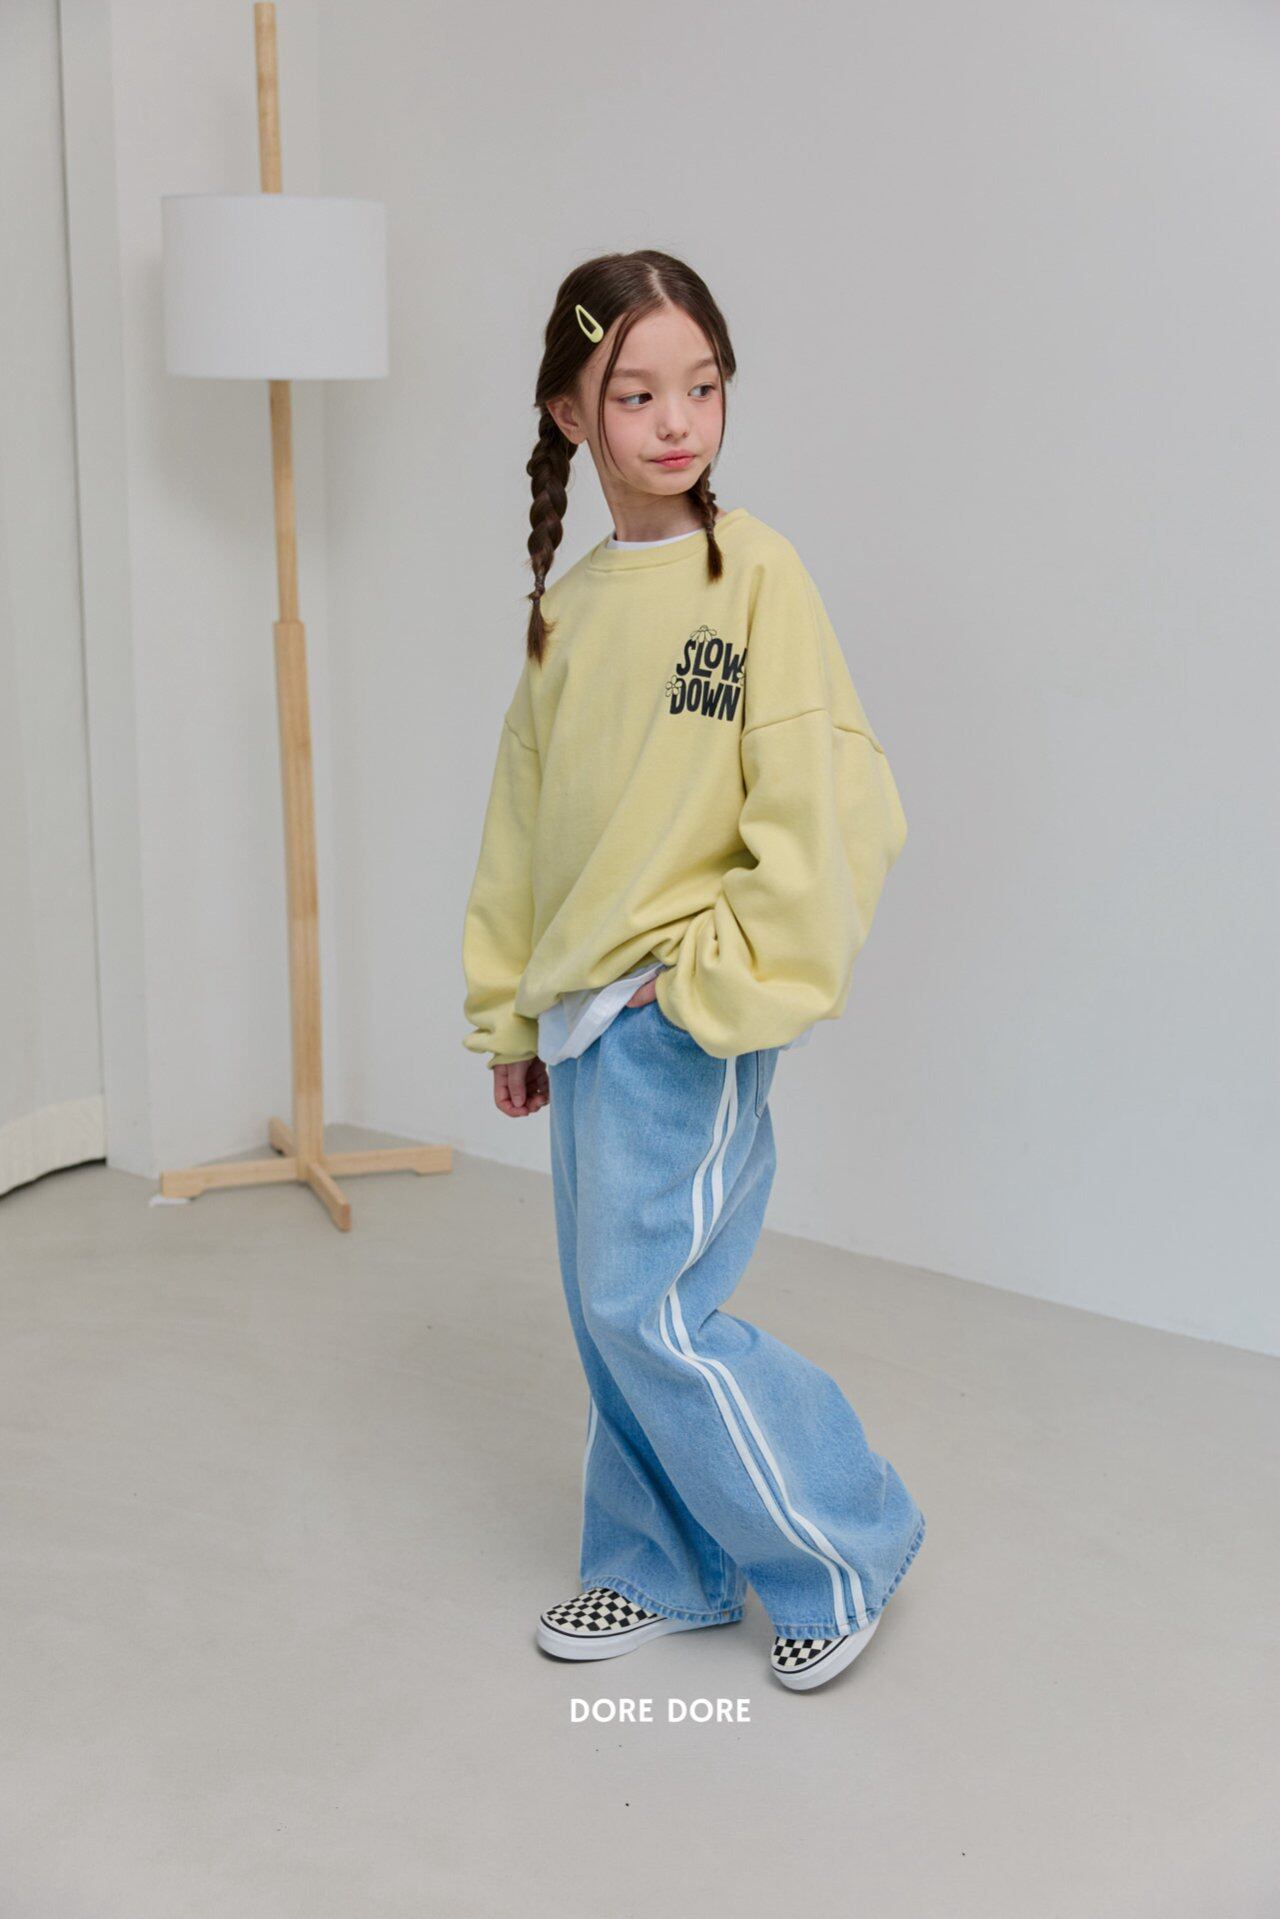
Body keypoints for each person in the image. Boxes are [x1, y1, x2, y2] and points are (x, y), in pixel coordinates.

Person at [460, 250, 926, 1694]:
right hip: (585, 1016)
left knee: (645, 1307)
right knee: (611, 1321)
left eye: (702, 387)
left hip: (681, 1014)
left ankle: (843, 1545)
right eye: (637, 394)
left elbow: (833, 805)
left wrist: (714, 983)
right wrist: (513, 1013)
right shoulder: (570, 612)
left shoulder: (757, 574)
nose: (677, 421)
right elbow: (525, 830)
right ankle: (660, 1567)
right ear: (570, 414)